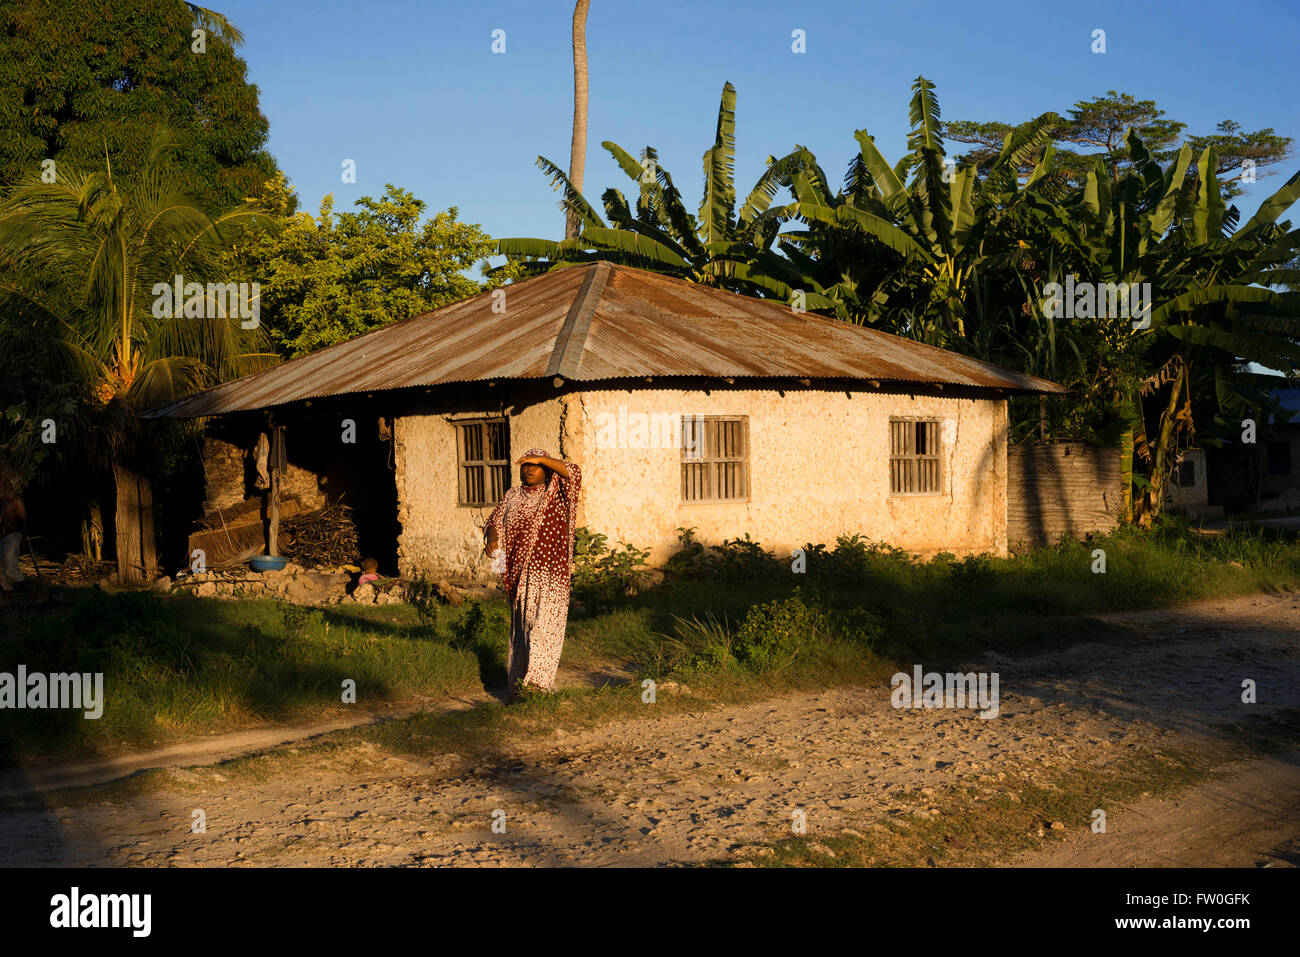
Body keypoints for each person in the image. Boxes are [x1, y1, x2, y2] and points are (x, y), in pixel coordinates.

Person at [484, 449, 581, 702]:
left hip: (550, 574)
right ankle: (518, 688)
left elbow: (574, 472)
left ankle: (538, 687)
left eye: (534, 466)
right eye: (525, 465)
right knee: (522, 631)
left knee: (543, 627)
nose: (528, 469)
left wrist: (543, 459)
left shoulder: (557, 493)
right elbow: (494, 522)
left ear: (546, 470)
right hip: (518, 574)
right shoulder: (512, 495)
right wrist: (493, 544)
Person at [0, 480, 27, 592]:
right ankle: (7, 589)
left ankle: (24, 586)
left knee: (10, 566)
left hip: (13, 537)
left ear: (7, 490)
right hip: (4, 538)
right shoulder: (4, 504)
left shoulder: (17, 501)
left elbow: (23, 519)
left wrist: (25, 537)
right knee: (1, 566)